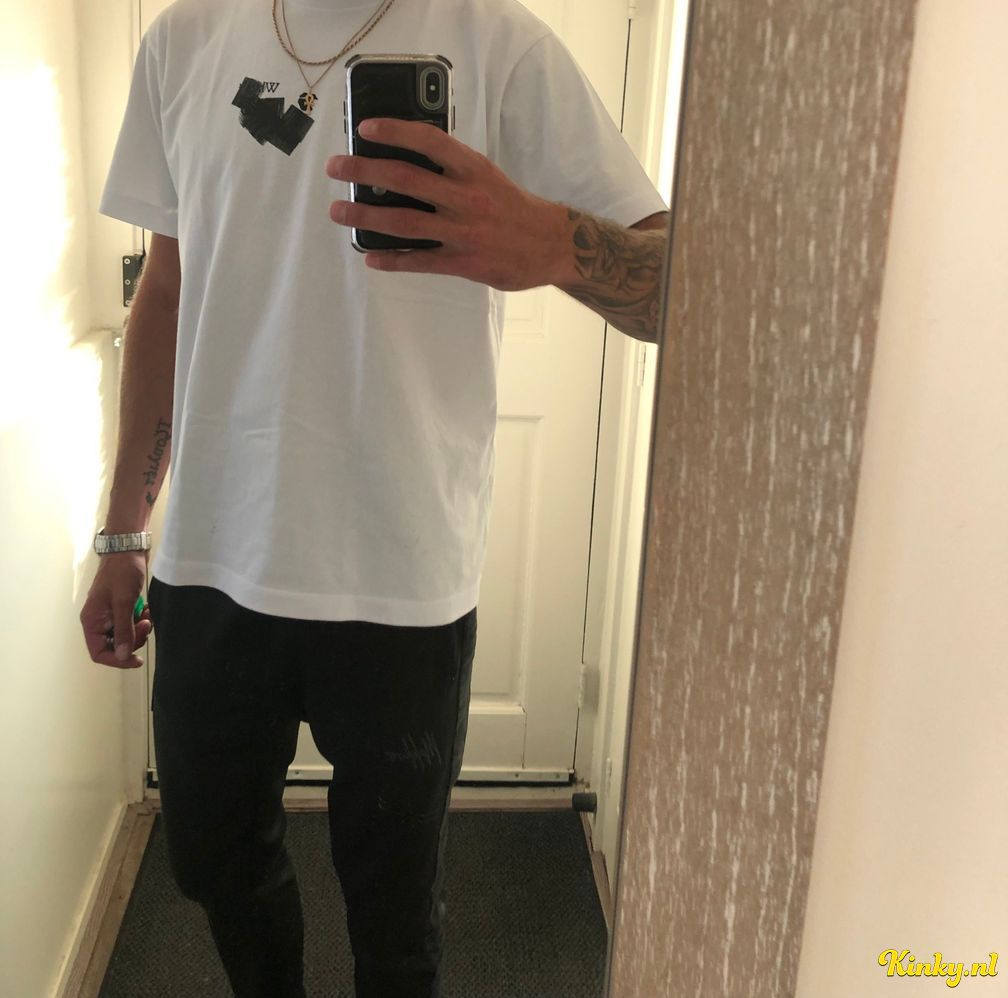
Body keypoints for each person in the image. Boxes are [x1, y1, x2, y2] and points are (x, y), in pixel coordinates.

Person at [79, 0, 670, 995]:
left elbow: (677, 288)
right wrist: (122, 529)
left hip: (402, 574)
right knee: (212, 863)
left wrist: (555, 241)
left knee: (395, 911)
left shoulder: (500, 44)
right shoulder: (181, 40)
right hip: (214, 555)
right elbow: (166, 294)